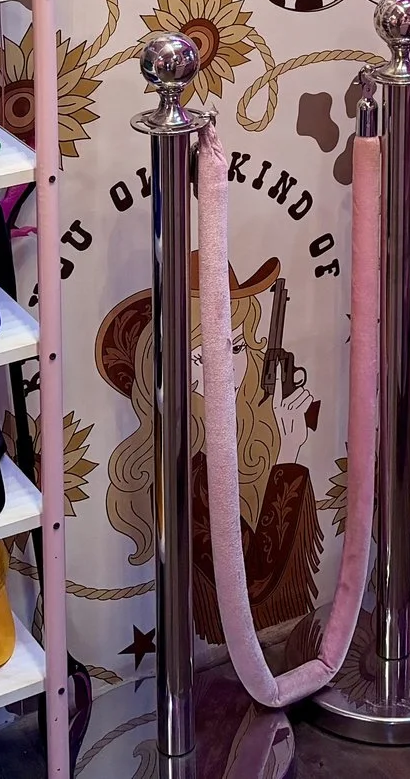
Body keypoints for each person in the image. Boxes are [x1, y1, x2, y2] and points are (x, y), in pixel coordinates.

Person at [98, 271, 322, 647]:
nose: (227, 369)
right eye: (203, 357)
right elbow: (251, 578)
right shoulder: (189, 467)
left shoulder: (246, 433)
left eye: (236, 349)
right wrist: (289, 454)